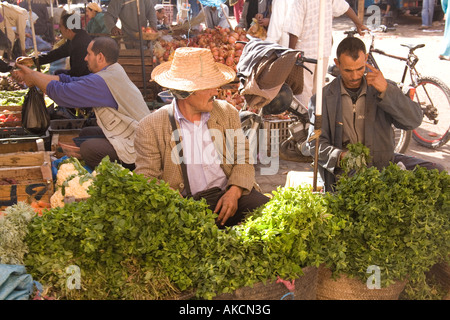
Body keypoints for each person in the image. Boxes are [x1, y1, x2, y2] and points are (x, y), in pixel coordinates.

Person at [134, 47, 270, 228]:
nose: (216, 91)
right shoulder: (151, 126)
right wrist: (172, 197)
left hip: (227, 196)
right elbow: (145, 177)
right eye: (208, 86)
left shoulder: (226, 113)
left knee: (268, 216)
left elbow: (243, 157)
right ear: (185, 92)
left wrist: (235, 191)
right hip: (186, 206)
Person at [305, 37, 445, 192]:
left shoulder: (382, 87)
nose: (354, 76)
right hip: (346, 171)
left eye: (359, 69)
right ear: (337, 64)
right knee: (363, 186)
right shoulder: (322, 99)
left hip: (384, 164)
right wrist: (341, 156)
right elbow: (314, 144)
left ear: (366, 59)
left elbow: (413, 121)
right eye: (348, 70)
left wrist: (387, 91)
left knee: (437, 170)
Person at [14, 36, 150, 171]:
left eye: (89, 54)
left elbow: (62, 94)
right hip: (133, 133)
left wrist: (34, 78)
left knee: (88, 149)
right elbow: (69, 81)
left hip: (140, 147)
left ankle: (122, 171)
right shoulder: (113, 71)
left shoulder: (103, 81)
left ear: (100, 57)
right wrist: (32, 74)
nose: (85, 58)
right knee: (86, 133)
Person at [284, 0, 368, 111]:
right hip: (322, 50)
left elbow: (295, 29)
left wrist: (291, 54)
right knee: (318, 91)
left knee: (303, 92)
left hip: (304, 52)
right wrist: (358, 23)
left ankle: (307, 123)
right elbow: (345, 7)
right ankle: (316, 121)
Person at [18, 12, 92, 77]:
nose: (59, 30)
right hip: (80, 74)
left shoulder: (81, 44)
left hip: (86, 78)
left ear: (68, 30)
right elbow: (56, 54)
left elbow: (77, 73)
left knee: (58, 75)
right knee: (58, 73)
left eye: (61, 26)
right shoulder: (75, 39)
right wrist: (32, 60)